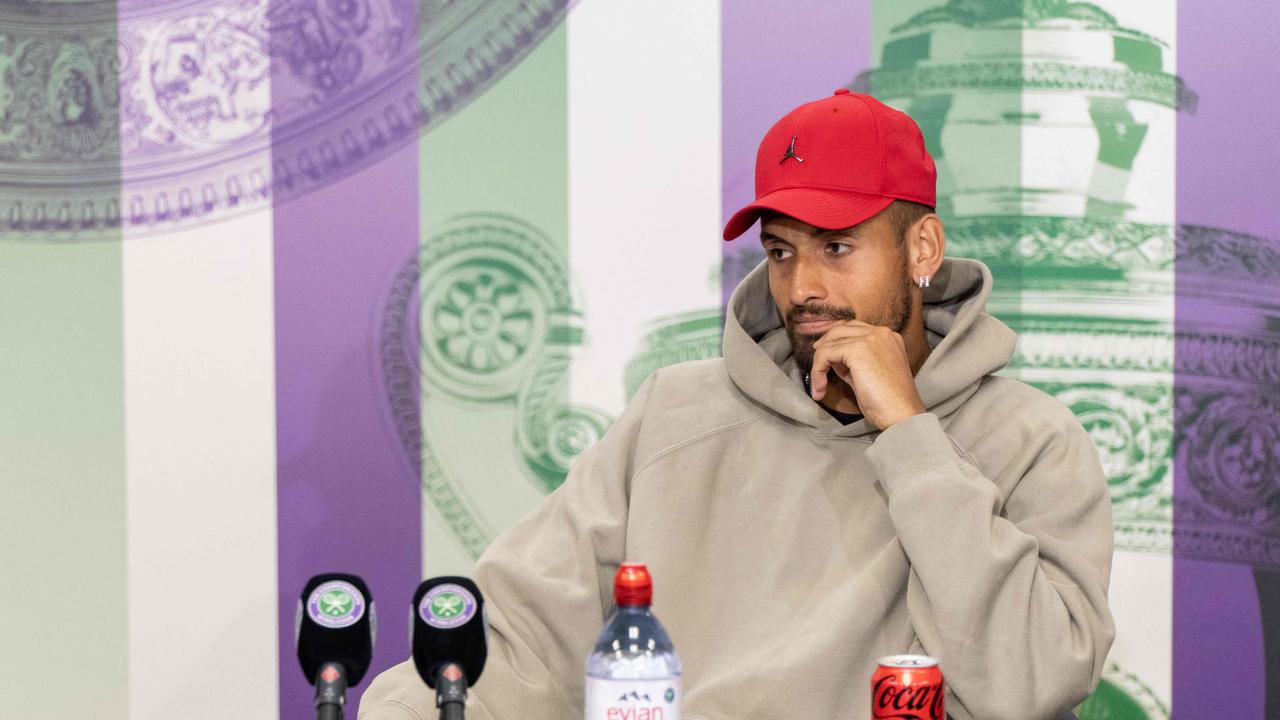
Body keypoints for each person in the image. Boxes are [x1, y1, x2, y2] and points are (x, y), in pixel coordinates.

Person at [359, 89, 1114, 720]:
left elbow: (1032, 687)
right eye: (782, 251)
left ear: (921, 249)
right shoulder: (675, 414)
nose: (804, 287)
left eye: (837, 248)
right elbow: (520, 640)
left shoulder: (1030, 440)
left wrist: (912, 437)